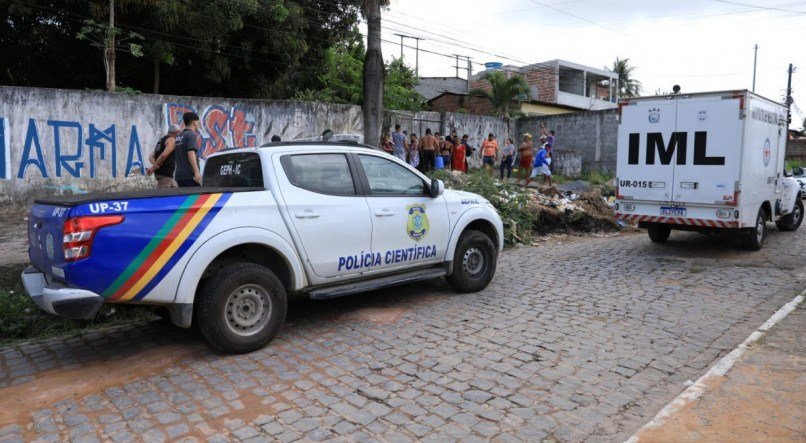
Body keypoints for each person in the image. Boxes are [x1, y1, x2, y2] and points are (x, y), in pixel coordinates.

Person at [147, 124, 181, 188]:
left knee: (174, 191)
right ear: (177, 132)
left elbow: (151, 156)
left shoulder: (161, 141)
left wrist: (155, 165)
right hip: (165, 174)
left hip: (163, 174)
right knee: (161, 195)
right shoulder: (171, 140)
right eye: (179, 133)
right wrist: (154, 167)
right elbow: (163, 155)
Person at [174, 112, 203, 187]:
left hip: (179, 176)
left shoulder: (178, 136)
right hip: (190, 175)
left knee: (185, 198)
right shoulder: (191, 135)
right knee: (195, 198)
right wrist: (196, 172)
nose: (198, 125)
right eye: (198, 123)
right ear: (194, 123)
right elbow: (190, 153)